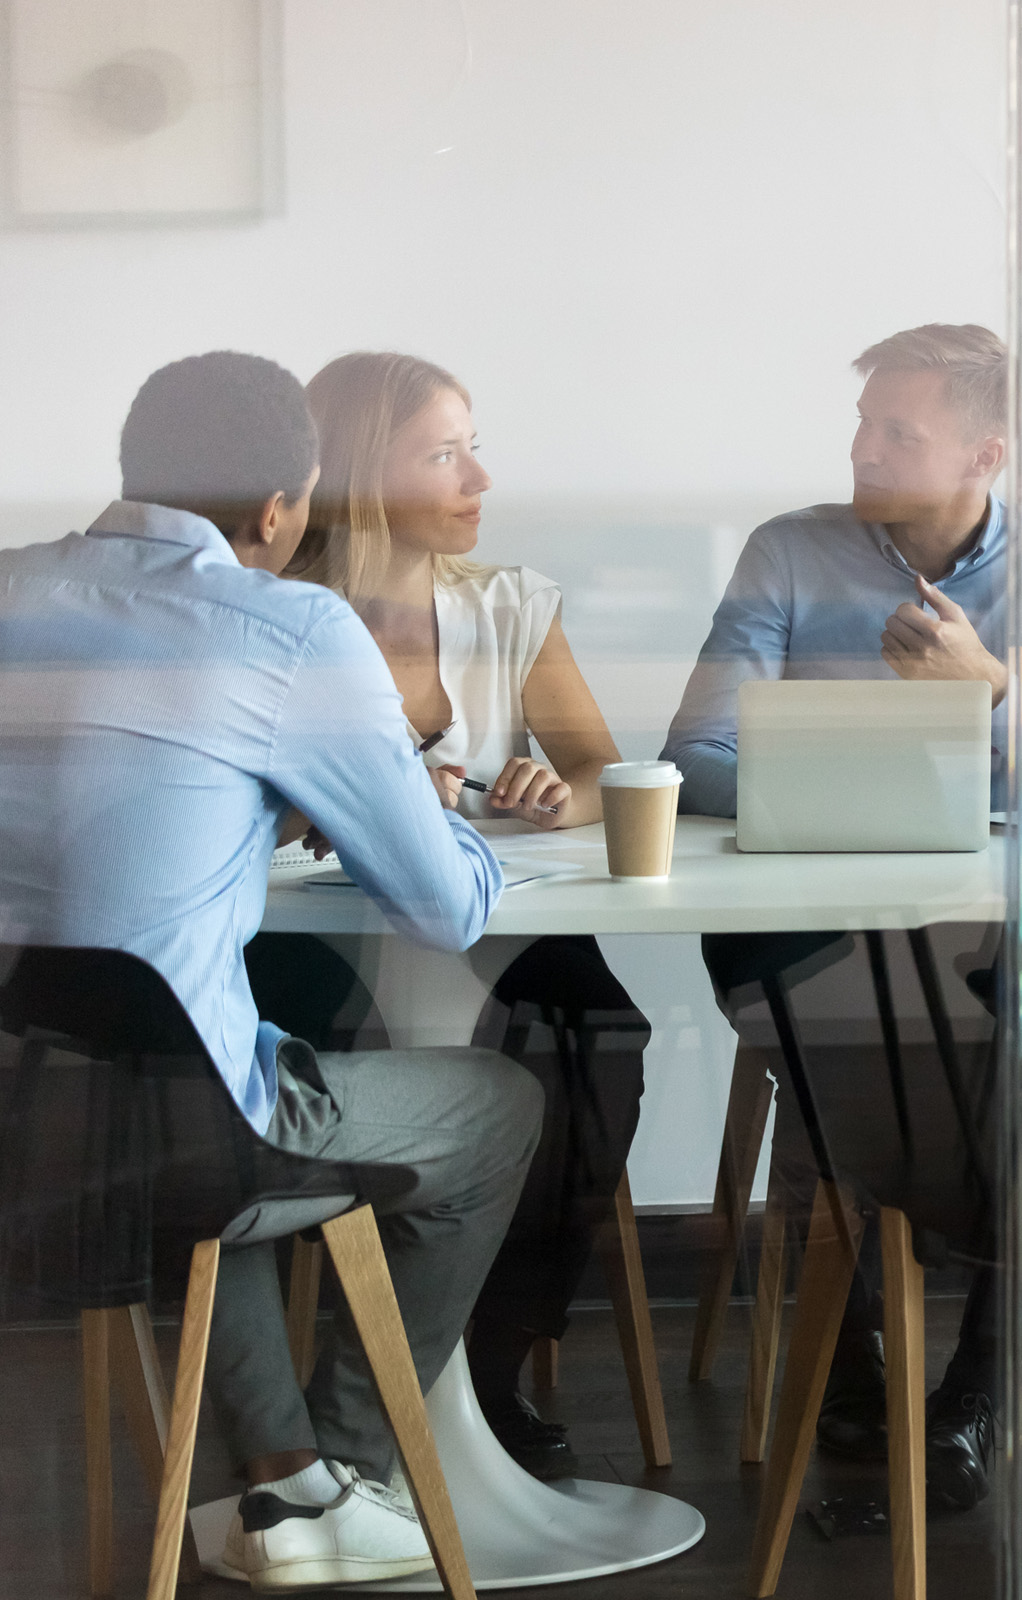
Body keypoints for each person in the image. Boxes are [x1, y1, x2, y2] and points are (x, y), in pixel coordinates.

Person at [0, 352, 540, 1589]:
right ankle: (349, 1473)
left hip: (32, 1112)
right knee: (498, 1105)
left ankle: (289, 1481)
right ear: (278, 509)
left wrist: (255, 804)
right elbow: (444, 908)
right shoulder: (289, 626)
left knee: (192, 1074)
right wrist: (419, 802)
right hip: (190, 1133)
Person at [662, 322, 1022, 1510]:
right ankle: (849, 1351)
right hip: (809, 916)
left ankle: (978, 1383)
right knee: (857, 1035)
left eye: (897, 432)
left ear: (985, 454)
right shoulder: (789, 551)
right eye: (864, 424)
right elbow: (695, 752)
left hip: (979, 923)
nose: (862, 450)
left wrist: (989, 689)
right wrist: (847, 781)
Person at [256, 350, 649, 1478]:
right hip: (320, 948)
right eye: (444, 454)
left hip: (496, 928)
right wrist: (342, 808)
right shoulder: (273, 618)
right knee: (361, 1075)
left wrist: (550, 793)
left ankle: (486, 1368)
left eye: (474, 447)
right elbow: (233, 809)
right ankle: (348, 1394)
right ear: (360, 473)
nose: (479, 478)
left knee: (598, 1047)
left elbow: (601, 770)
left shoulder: (508, 605)